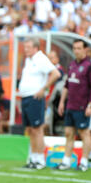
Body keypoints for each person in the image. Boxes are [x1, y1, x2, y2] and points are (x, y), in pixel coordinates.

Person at [18, 38, 60, 169]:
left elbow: (55, 74)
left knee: (37, 129)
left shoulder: (40, 58)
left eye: (28, 47)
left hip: (34, 98)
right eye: (25, 47)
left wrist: (43, 89)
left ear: (36, 48)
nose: (26, 49)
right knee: (30, 129)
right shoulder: (28, 60)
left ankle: (40, 159)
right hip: (25, 97)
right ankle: (33, 157)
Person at [56, 39, 91, 172]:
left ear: (85, 49)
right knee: (68, 133)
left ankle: (84, 162)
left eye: (79, 48)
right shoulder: (72, 64)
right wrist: (62, 102)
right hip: (70, 105)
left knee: (84, 133)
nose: (76, 51)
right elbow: (67, 85)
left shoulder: (90, 66)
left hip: (82, 106)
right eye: (74, 48)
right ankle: (66, 161)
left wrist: (90, 105)